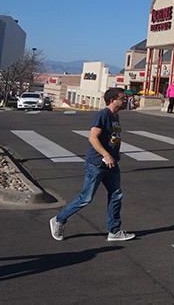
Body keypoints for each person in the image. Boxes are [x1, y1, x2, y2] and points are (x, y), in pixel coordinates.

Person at [50, 87, 135, 242]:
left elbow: (112, 137)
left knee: (116, 194)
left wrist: (115, 154)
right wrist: (106, 154)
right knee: (85, 198)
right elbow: (93, 138)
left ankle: (114, 231)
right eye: (122, 98)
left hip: (111, 163)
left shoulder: (115, 116)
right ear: (112, 100)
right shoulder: (102, 115)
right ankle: (59, 219)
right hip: (96, 164)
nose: (125, 101)